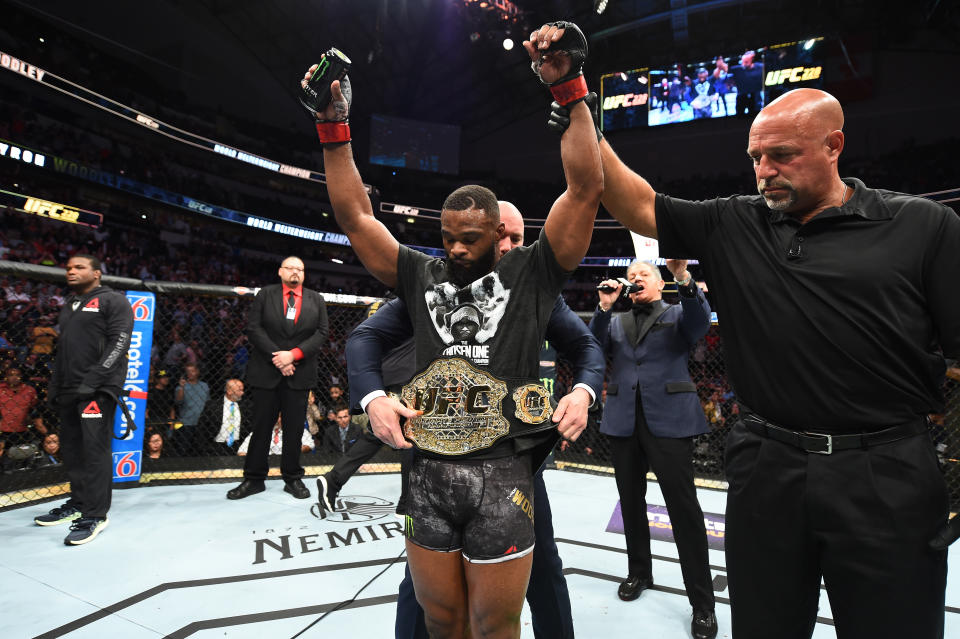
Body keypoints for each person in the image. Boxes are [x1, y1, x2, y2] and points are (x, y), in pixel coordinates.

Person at [546, 72, 960, 638]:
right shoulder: (734, 221)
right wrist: (575, 99)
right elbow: (633, 199)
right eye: (756, 157)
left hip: (884, 471)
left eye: (782, 156)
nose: (765, 171)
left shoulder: (923, 225)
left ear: (834, 146)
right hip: (766, 467)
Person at [302, 19, 602, 637]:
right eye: (448, 239)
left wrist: (570, 89)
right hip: (429, 470)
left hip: (506, 471)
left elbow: (584, 188)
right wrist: (334, 128)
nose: (457, 250)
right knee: (440, 621)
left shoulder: (534, 273)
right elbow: (356, 215)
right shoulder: (422, 275)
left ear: (498, 235)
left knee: (496, 626)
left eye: (470, 240)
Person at [338, 201, 604, 639]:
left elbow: (587, 347)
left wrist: (583, 391)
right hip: (436, 453)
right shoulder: (433, 287)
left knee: (544, 567)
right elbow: (366, 336)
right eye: (503, 238)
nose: (511, 247)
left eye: (520, 240)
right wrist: (372, 397)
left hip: (514, 456)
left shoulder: (534, 288)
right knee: (422, 590)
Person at [590, 259, 717, 639]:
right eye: (630, 276)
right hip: (623, 420)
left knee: (684, 509)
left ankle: (702, 603)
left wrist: (685, 278)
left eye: (642, 274)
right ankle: (639, 572)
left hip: (670, 420)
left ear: (660, 284)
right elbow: (591, 349)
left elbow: (700, 321)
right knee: (629, 503)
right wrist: (603, 307)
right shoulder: (615, 320)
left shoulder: (679, 312)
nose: (634, 279)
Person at [35, 254, 133, 545]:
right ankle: (77, 503)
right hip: (68, 388)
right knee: (73, 449)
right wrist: (54, 386)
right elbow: (64, 350)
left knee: (94, 449)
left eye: (79, 267)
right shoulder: (70, 305)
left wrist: (94, 379)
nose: (71, 272)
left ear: (97, 273)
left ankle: (95, 514)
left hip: (97, 389)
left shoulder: (114, 300)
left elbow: (120, 342)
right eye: (68, 268)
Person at [226, 256, 328, 500]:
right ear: (280, 271)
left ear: (304, 274)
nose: (295, 272)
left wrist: (292, 355)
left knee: (294, 430)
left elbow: (322, 332)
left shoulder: (316, 299)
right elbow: (254, 328)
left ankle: (292, 478)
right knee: (261, 428)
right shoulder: (265, 295)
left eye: (300, 269)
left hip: (300, 373)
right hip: (267, 371)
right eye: (290, 268)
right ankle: (253, 479)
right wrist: (279, 359)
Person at [171, 363, 209, 456]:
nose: (190, 373)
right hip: (185, 423)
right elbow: (178, 401)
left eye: (192, 370)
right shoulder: (180, 387)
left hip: (202, 423)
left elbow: (208, 403)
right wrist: (182, 387)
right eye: (188, 371)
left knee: (201, 451)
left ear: (197, 371)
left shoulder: (204, 386)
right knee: (183, 450)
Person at [202, 378, 247, 456]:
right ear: (229, 391)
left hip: (239, 446)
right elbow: (202, 427)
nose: (242, 393)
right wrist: (205, 448)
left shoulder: (246, 406)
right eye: (239, 390)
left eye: (242, 390)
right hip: (216, 446)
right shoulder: (212, 406)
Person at [237, 416, 314, 456]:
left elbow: (310, 445)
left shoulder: (296, 428)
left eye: (280, 417)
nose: (277, 420)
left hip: (288, 462)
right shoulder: (260, 431)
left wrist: (293, 452)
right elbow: (241, 452)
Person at [0, 367, 38, 446]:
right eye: (11, 375)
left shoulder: (29, 390)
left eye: (17, 375)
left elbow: (34, 407)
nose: (14, 378)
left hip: (23, 430)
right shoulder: (0, 390)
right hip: (2, 430)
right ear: (6, 377)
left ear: (21, 376)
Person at [731, 49, 763, 116]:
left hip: (755, 96)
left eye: (746, 62)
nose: (743, 64)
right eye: (742, 62)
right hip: (742, 96)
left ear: (752, 60)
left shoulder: (760, 67)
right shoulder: (737, 69)